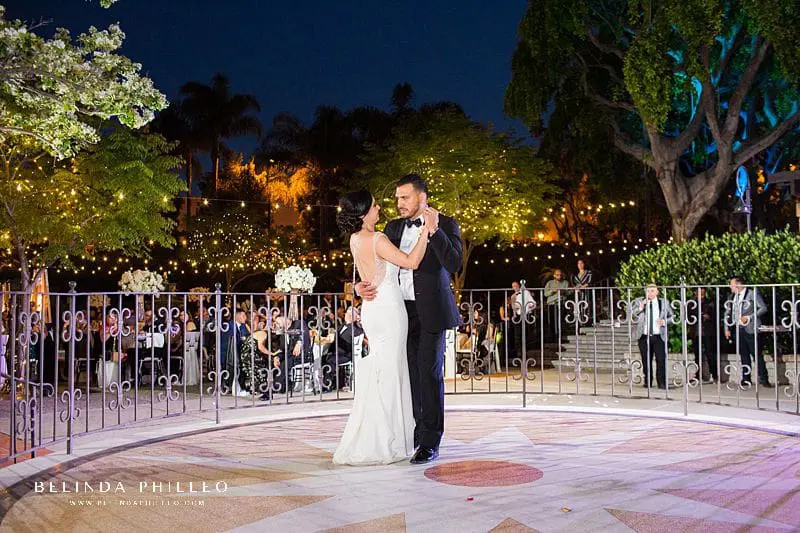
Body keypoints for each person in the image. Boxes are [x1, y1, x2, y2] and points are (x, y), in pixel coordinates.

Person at [333, 185, 436, 466]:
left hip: (371, 309)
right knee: (392, 372)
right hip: (389, 308)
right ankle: (386, 439)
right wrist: (426, 229)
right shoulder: (377, 238)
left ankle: (379, 433)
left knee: (381, 368)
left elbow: (367, 271)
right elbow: (412, 261)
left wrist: (357, 286)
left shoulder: (355, 239)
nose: (380, 208)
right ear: (365, 213)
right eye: (375, 206)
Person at [724, 276, 771, 387]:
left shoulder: (752, 293)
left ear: (738, 285)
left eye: (732, 284)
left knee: (756, 354)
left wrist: (749, 317)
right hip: (738, 329)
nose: (730, 287)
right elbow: (727, 313)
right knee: (743, 355)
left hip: (751, 328)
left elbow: (763, 308)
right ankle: (746, 378)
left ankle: (764, 378)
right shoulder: (732, 296)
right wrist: (727, 328)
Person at [632, 284, 673, 389]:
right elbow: (632, 316)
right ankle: (648, 381)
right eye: (648, 291)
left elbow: (672, 317)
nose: (650, 293)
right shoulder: (639, 302)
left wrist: (664, 321)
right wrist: (641, 307)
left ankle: (661, 382)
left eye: (652, 291)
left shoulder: (663, 303)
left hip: (659, 335)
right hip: (644, 336)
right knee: (646, 360)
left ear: (657, 292)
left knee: (661, 359)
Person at [544, 269, 569, 342]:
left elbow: (567, 292)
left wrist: (562, 292)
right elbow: (545, 294)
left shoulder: (565, 282)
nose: (559, 276)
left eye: (560, 275)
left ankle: (560, 337)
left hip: (560, 303)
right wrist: (552, 291)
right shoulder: (550, 283)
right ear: (554, 275)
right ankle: (552, 337)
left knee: (560, 321)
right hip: (551, 304)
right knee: (552, 321)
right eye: (557, 275)